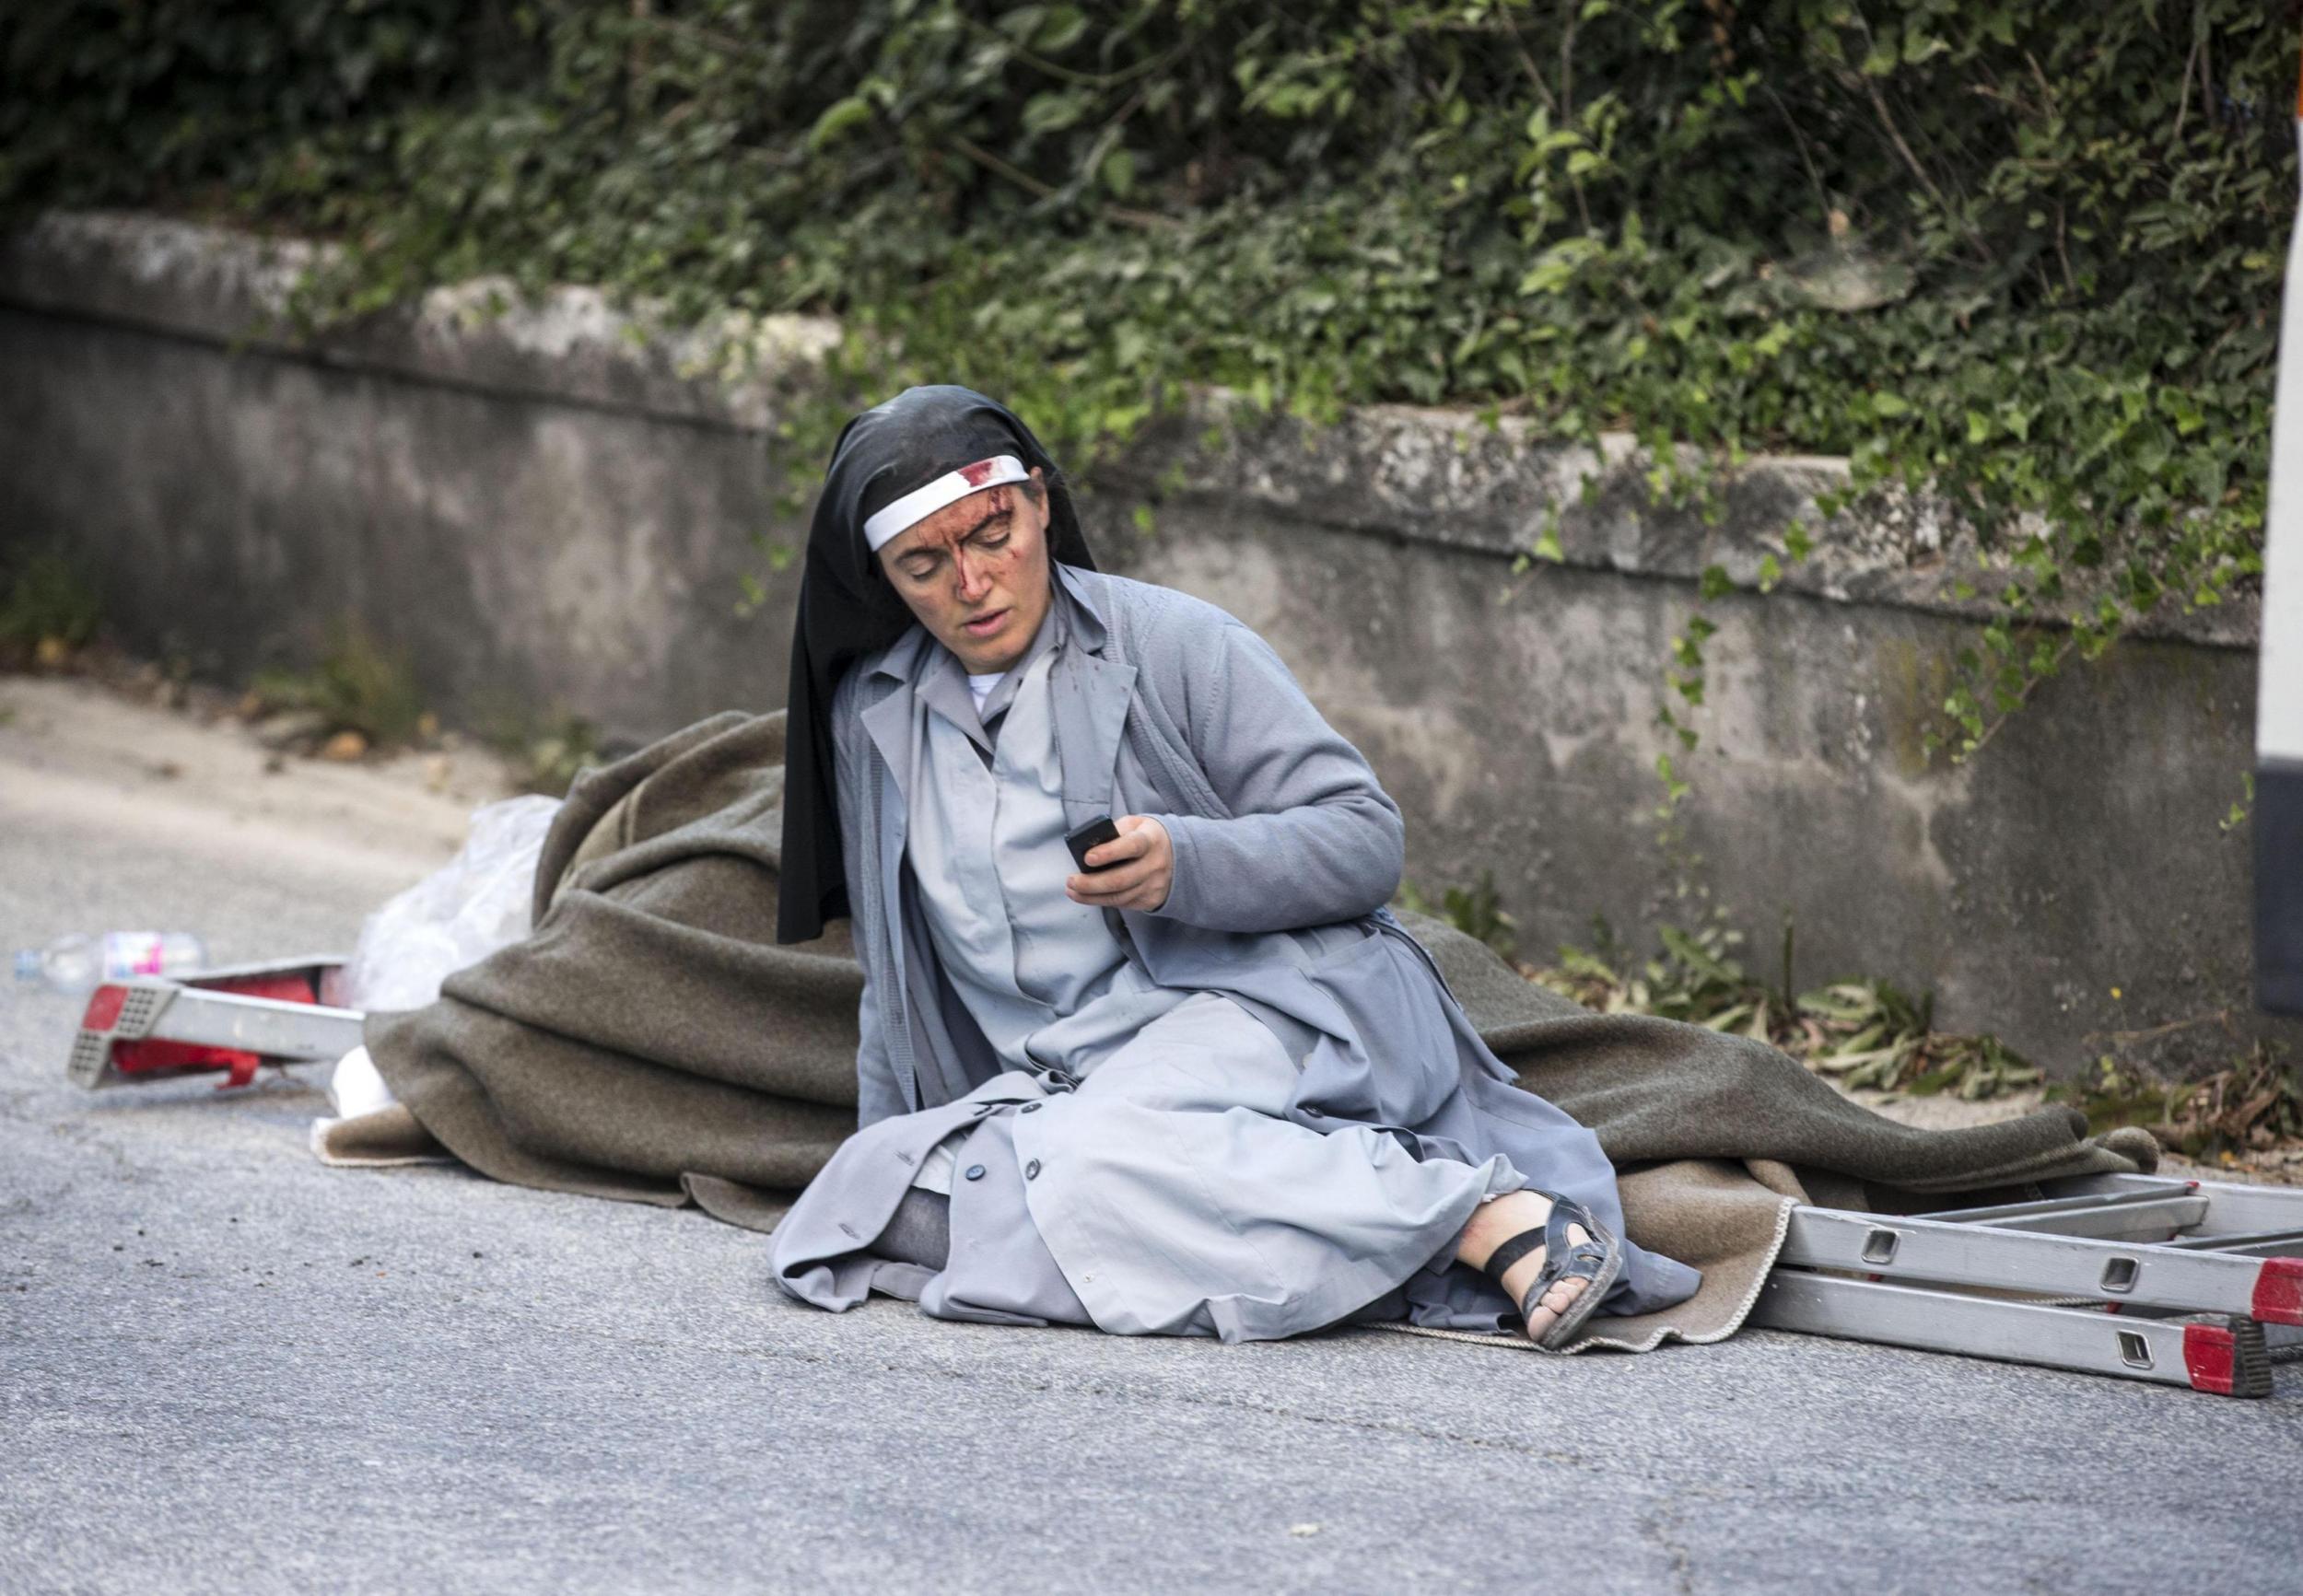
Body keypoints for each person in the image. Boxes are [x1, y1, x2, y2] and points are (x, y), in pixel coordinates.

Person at [769, 384, 1701, 1346]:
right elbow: (891, 974)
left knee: (1076, 1173)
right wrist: (897, 1137)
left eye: (994, 534)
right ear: (883, 577)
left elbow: (1365, 837)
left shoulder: (1178, 643)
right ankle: (1348, 1229)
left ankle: (1485, 1214)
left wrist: (1186, 862)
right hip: (1062, 1087)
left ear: (1041, 504)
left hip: (1256, 1007)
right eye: (925, 562)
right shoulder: (869, 716)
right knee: (886, 1197)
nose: (971, 582)